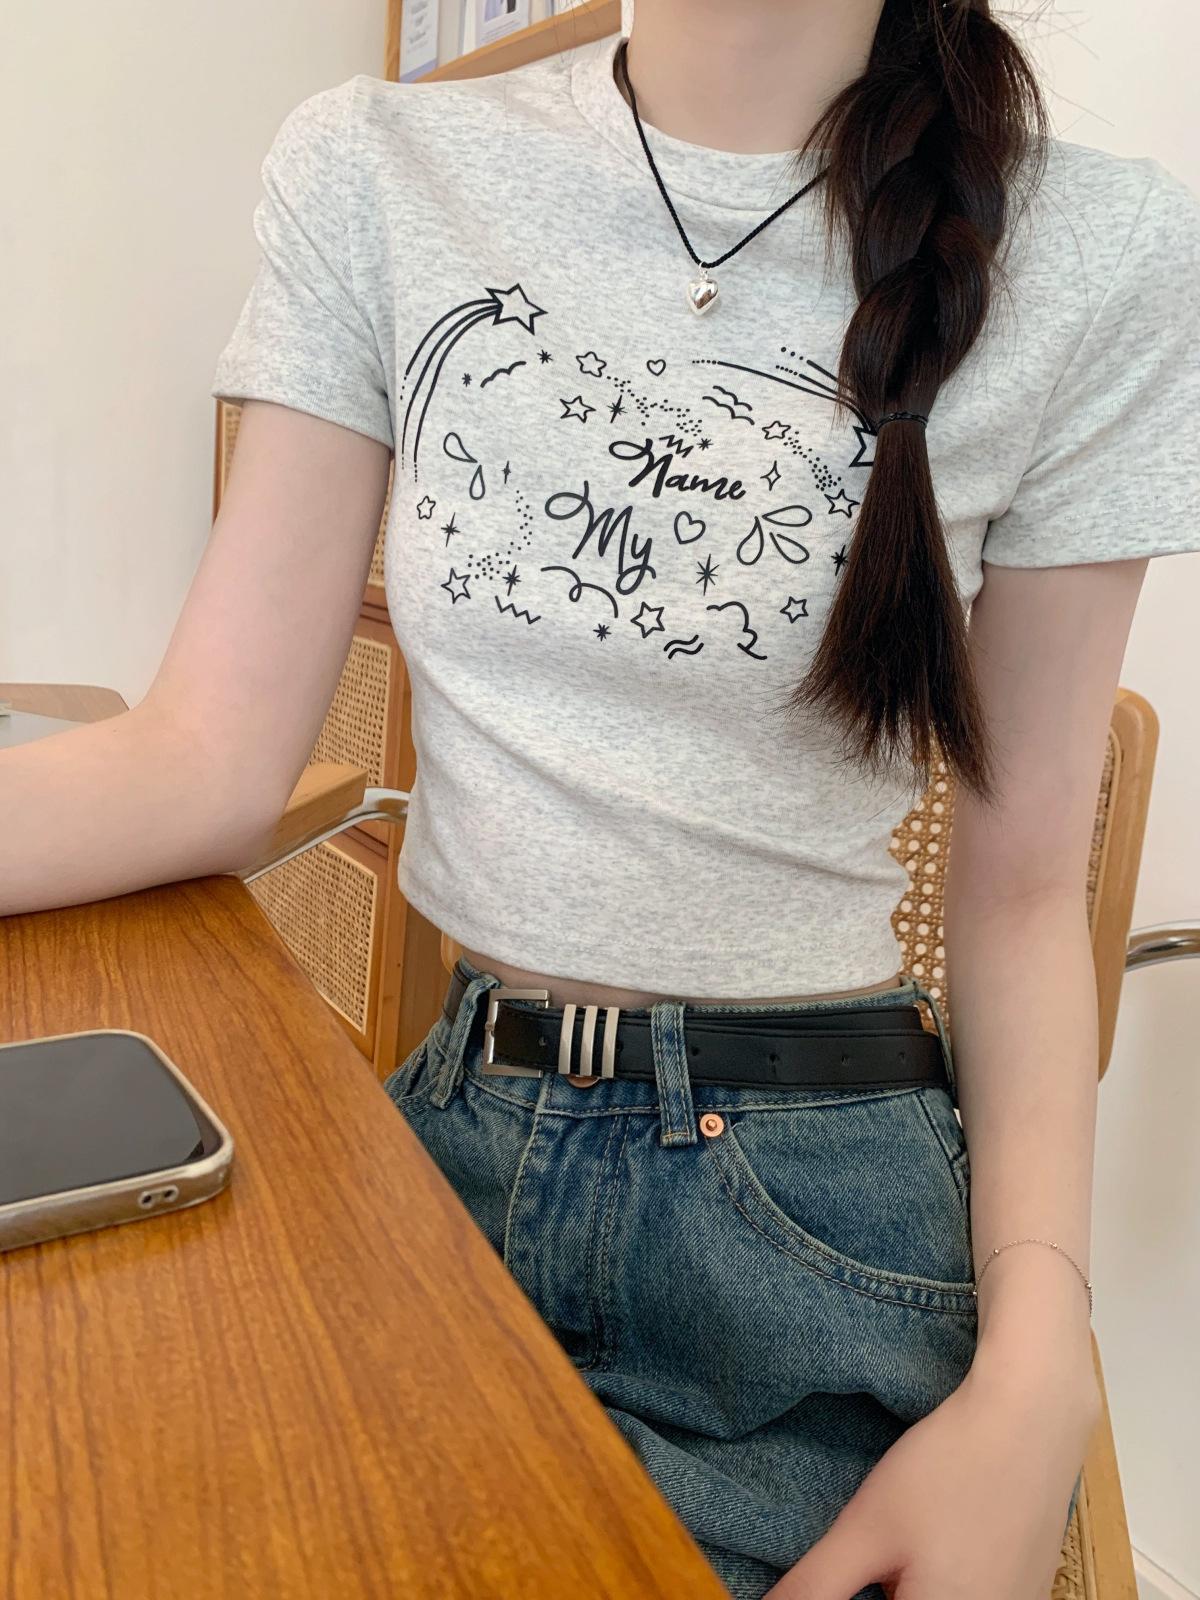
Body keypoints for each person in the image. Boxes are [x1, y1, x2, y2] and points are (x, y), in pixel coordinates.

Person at [4, 2, 1199, 1596]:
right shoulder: (383, 166)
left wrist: (1042, 1365)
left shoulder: (1103, 247)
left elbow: (1027, 888)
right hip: (449, 1148)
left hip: (819, 1227)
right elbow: (204, 759)